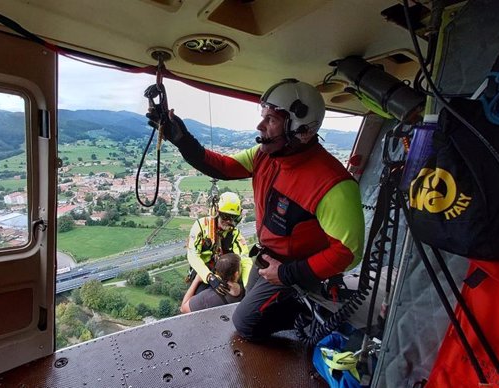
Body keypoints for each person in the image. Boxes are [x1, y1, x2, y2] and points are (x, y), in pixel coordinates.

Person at [148, 78, 365, 340]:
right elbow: (224, 167)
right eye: (263, 116)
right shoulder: (265, 155)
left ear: (301, 129)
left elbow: (348, 253)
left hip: (297, 269)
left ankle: (314, 313)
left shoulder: (333, 184)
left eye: (271, 119)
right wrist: (182, 139)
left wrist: (287, 274)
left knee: (245, 324)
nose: (260, 126)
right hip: (266, 258)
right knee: (250, 305)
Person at [186, 191, 253, 295]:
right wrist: (209, 277)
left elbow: (245, 259)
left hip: (224, 271)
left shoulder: (234, 234)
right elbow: (193, 255)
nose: (229, 222)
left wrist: (249, 287)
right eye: (226, 216)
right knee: (200, 295)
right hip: (203, 270)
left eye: (234, 218)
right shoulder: (201, 226)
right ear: (217, 212)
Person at [180, 253, 244, 313]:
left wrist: (196, 280)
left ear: (217, 272)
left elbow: (183, 309)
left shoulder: (209, 297)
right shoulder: (246, 287)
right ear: (236, 274)